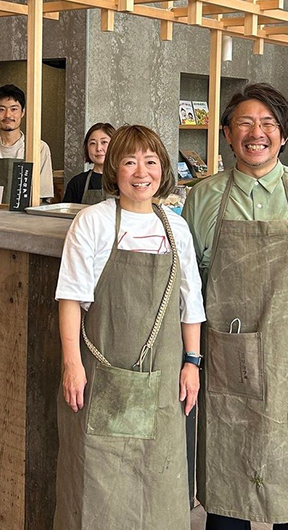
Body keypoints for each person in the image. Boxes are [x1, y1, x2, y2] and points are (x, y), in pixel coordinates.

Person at [182, 83, 288, 530]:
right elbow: (193, 280)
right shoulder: (204, 197)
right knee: (228, 486)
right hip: (224, 356)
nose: (257, 133)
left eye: (268, 123)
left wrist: (283, 327)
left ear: (283, 134)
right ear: (228, 134)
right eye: (245, 123)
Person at [54, 125, 205, 530]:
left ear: (163, 170)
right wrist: (72, 365)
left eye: (151, 161)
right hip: (101, 376)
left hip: (163, 379)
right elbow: (70, 297)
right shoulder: (93, 222)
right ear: (115, 170)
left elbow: (191, 303)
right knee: (96, 482)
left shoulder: (177, 228)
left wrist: (192, 361)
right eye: (130, 161)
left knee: (159, 480)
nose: (142, 172)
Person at [0, 84, 53, 203]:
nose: (8, 115)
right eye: (1, 109)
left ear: (22, 112)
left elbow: (42, 194)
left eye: (14, 109)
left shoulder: (39, 148)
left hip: (27, 219)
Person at [63, 122, 115, 204]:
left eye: (104, 142)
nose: (98, 148)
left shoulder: (124, 180)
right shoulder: (77, 183)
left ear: (115, 145)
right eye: (93, 143)